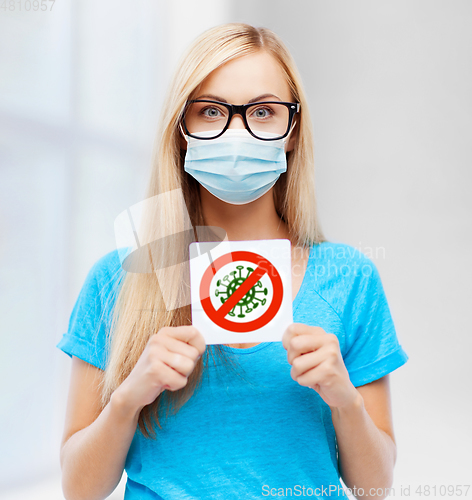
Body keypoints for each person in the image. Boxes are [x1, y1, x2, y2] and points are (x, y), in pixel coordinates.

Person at [56, 23, 408, 500]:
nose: (238, 132)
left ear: (292, 130)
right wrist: (127, 400)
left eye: (264, 111)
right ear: (182, 131)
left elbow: (375, 488)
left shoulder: (349, 277)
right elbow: (79, 489)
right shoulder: (119, 280)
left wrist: (344, 398)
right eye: (211, 111)